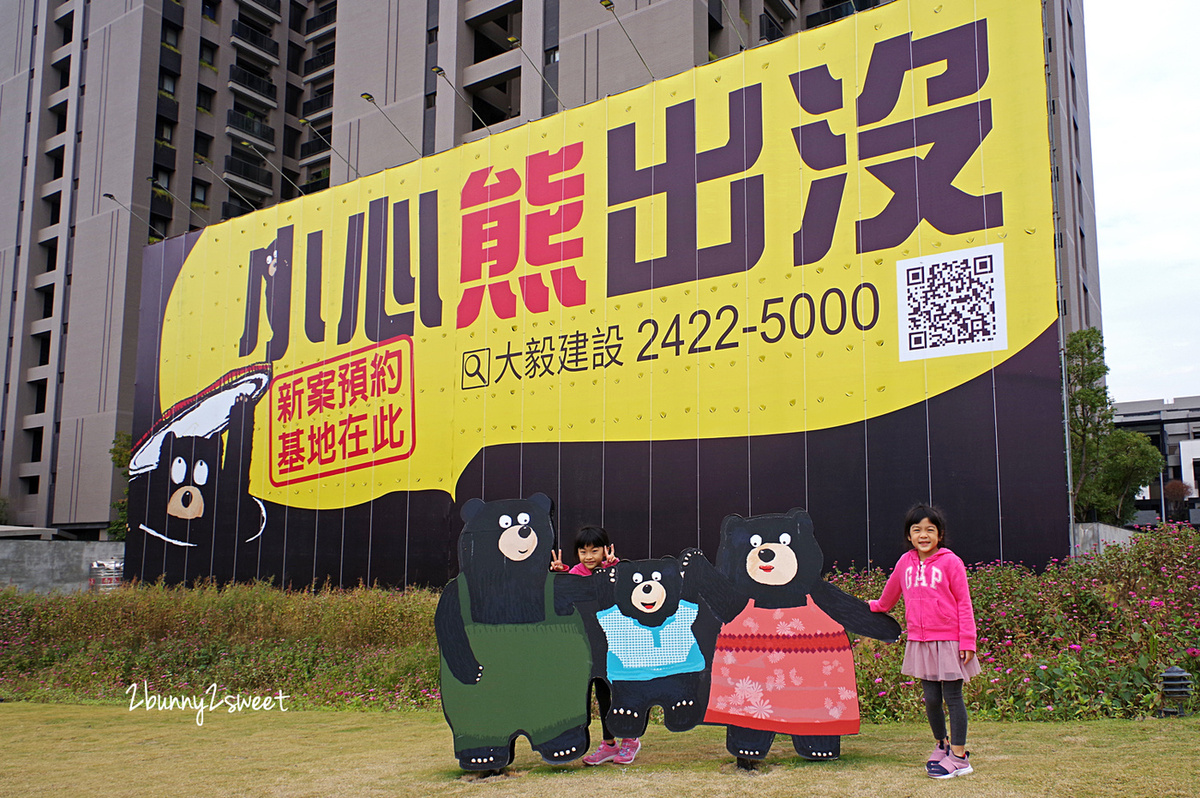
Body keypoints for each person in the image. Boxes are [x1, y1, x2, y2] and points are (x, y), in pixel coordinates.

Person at [869, 504, 980, 779]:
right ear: (909, 535)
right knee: (931, 699)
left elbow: (964, 603)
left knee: (953, 698)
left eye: (930, 530)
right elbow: (889, 595)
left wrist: (968, 641)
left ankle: (959, 756)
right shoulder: (905, 562)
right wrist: (871, 607)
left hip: (950, 640)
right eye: (917, 530)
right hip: (919, 640)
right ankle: (941, 745)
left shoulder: (951, 562)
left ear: (939, 535)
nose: (923, 535)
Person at [549, 526, 640, 765]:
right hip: (591, 647)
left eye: (594, 550)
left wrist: (613, 567)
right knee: (602, 694)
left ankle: (630, 740)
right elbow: (563, 598)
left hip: (618, 645)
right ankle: (609, 744)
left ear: (605, 550)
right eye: (583, 551)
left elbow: (628, 590)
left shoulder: (614, 571)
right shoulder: (576, 575)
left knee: (621, 692)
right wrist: (561, 575)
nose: (589, 557)